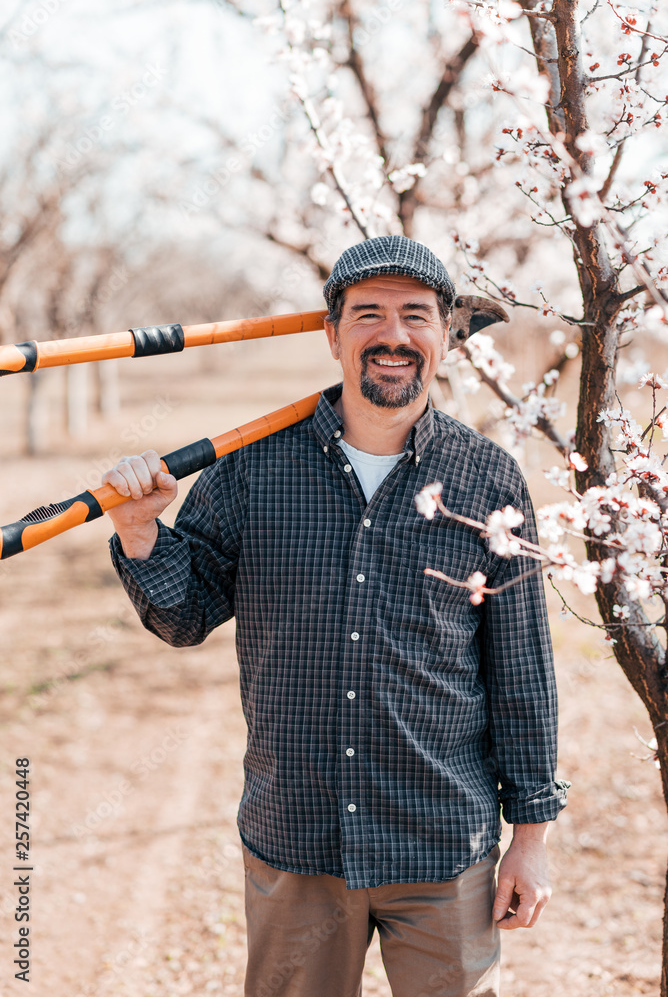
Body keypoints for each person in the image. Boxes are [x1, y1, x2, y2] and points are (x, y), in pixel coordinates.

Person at [103, 236, 568, 997]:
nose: (393, 335)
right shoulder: (254, 465)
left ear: (446, 336)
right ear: (332, 334)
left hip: (443, 842)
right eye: (369, 315)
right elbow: (185, 616)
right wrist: (140, 532)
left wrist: (532, 839)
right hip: (297, 839)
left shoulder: (487, 478)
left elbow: (523, 671)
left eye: (416, 316)